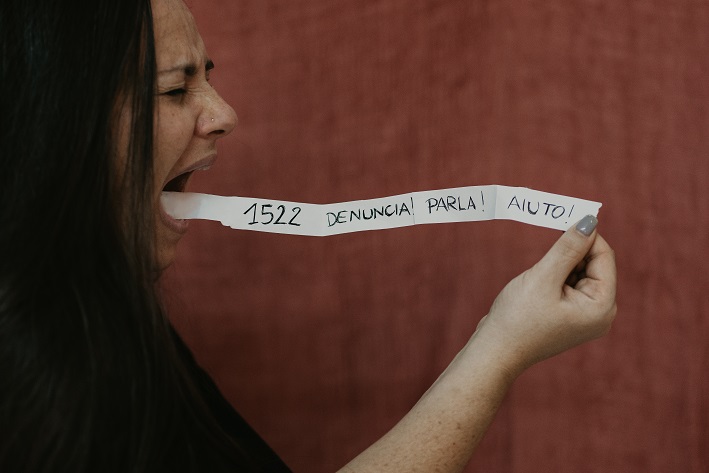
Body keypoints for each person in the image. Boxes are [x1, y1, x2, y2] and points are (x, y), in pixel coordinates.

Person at [0, 0, 617, 471]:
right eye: (174, 88)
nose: (223, 114)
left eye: (206, 77)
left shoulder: (99, 313)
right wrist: (502, 350)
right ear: (57, 122)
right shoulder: (43, 363)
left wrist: (502, 341)